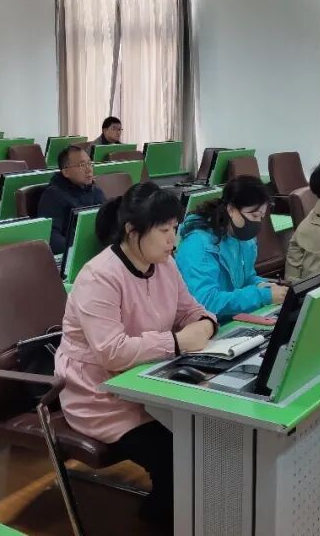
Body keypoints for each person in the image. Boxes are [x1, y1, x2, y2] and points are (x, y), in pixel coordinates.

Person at [55, 181, 215, 526]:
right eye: (164, 231)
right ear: (132, 231)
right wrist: (177, 342)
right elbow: (112, 352)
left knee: (208, 439)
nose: (173, 240)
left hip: (151, 382)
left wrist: (205, 324)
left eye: (175, 229)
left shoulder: (165, 265)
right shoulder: (99, 277)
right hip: (101, 396)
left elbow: (191, 309)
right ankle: (159, 518)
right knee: (176, 455)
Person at [176, 176, 287, 322]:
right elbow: (206, 301)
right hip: (207, 325)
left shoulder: (243, 239)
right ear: (231, 209)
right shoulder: (198, 244)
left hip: (233, 318)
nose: (257, 223)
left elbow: (246, 278)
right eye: (254, 215)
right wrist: (262, 295)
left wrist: (262, 285)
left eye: (261, 217)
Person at [37, 144, 106, 254]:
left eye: (89, 163)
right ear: (66, 172)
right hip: (73, 254)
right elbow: (51, 237)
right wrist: (78, 251)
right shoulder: (53, 195)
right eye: (82, 165)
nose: (89, 169)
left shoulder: (96, 191)